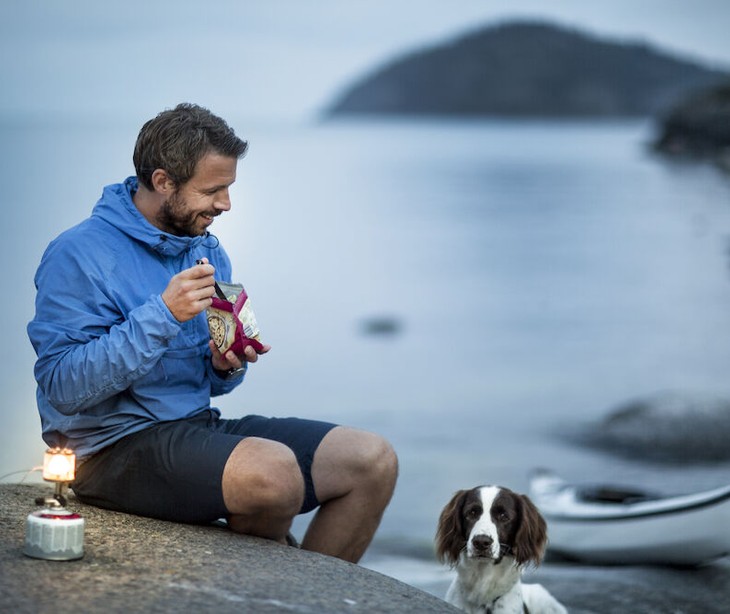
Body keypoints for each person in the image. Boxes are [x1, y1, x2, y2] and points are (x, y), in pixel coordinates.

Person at [27, 103, 398, 563]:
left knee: (371, 460)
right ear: (163, 182)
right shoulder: (76, 253)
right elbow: (62, 387)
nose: (225, 204)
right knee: (276, 473)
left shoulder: (205, 249)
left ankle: (305, 600)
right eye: (213, 190)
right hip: (110, 449)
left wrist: (226, 363)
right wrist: (164, 313)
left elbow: (217, 379)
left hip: (191, 426)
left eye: (229, 188)